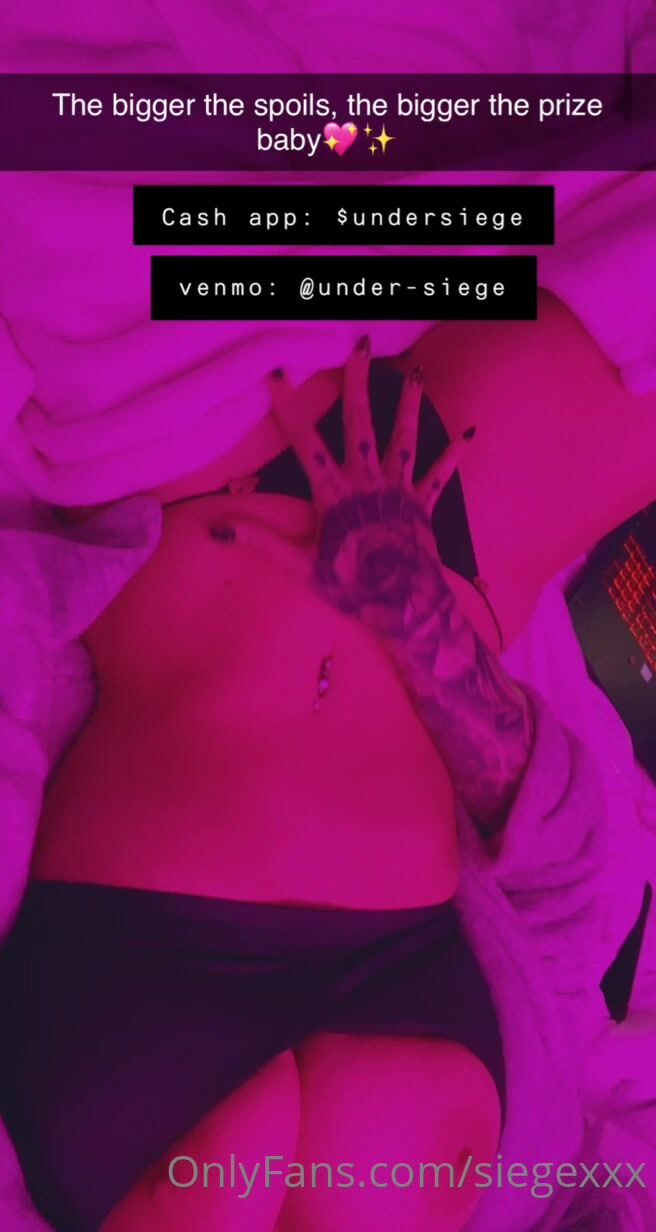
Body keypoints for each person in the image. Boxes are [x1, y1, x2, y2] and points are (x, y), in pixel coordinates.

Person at [1, 288, 654, 1232]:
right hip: (457, 544)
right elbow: (563, 886)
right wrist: (429, 631)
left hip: (177, 457)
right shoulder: (551, 1180)